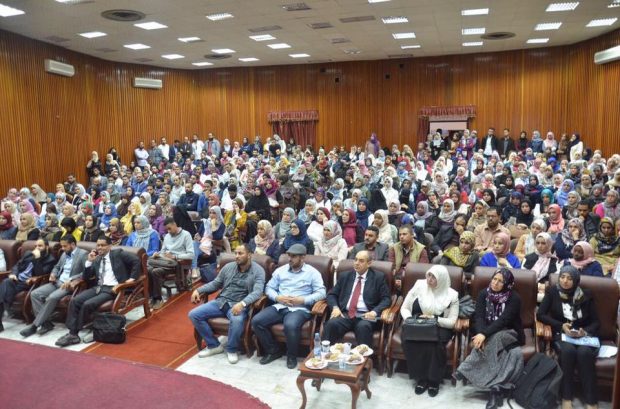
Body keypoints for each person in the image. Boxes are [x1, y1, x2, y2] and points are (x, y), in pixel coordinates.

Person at [456, 268, 524, 409]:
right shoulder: (483, 294)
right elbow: (479, 317)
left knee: (497, 336)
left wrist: (484, 335)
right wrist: (482, 334)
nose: (495, 283)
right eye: (494, 279)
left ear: (507, 284)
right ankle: (496, 389)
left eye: (500, 281)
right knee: (513, 353)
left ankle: (465, 368)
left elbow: (504, 320)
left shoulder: (514, 298)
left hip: (510, 331)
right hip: (488, 332)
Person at [55, 236, 141, 347]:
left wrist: (131, 279)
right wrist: (89, 262)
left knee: (87, 304)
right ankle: (73, 333)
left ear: (110, 246)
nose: (100, 247)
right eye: (98, 245)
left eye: (103, 245)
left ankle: (73, 333)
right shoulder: (97, 258)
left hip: (112, 288)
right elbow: (86, 278)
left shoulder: (117, 253)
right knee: (75, 300)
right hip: (97, 287)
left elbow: (136, 260)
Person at [251, 243, 326, 369]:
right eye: (289, 256)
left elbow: (322, 292)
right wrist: (277, 297)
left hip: (300, 308)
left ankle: (292, 356)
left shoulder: (312, 273)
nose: (290, 259)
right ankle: (273, 350)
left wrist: (303, 300)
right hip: (280, 305)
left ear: (303, 257)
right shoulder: (280, 271)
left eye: (294, 256)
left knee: (290, 325)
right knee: (257, 321)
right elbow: (269, 288)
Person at [188, 244, 265, 364]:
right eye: (236, 253)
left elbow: (258, 292)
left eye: (240, 253)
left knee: (237, 320)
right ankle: (214, 345)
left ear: (249, 255)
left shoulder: (258, 271)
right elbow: (216, 283)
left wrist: (243, 303)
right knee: (194, 314)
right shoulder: (229, 267)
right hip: (221, 301)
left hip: (238, 304)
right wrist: (198, 290)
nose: (237, 256)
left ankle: (232, 349)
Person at [537, 265, 600, 409]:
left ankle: (591, 400)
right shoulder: (553, 292)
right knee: (568, 351)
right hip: (563, 334)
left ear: (576, 280)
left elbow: (596, 322)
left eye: (569, 278)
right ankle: (566, 397)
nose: (565, 281)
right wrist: (561, 326)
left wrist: (585, 331)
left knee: (584, 353)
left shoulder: (586, 295)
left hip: (583, 336)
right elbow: (540, 314)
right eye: (562, 277)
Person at [400, 265, 458, 397]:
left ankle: (434, 381)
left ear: (441, 279)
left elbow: (452, 322)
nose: (429, 279)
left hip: (439, 326)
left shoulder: (452, 295)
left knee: (434, 344)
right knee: (410, 340)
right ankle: (421, 378)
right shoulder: (419, 285)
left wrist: (434, 319)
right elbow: (405, 308)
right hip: (416, 323)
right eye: (429, 275)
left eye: (434, 277)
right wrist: (411, 321)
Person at [21, 236, 88, 337]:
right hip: (57, 281)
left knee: (51, 297)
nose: (63, 248)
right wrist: (53, 274)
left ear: (73, 244)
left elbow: (86, 273)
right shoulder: (64, 254)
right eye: (62, 246)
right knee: (35, 294)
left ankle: (34, 326)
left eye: (65, 246)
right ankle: (46, 323)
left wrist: (71, 279)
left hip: (68, 285)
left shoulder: (83, 254)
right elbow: (57, 267)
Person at [323, 250, 391, 346]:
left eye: (361, 261)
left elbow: (386, 299)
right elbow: (332, 294)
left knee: (363, 327)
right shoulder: (345, 276)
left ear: (369, 263)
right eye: (355, 260)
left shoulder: (378, 277)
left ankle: (364, 355)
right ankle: (325, 353)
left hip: (365, 316)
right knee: (331, 324)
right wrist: (335, 308)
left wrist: (374, 312)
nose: (357, 263)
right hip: (345, 314)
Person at [0, 239, 56, 331]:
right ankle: (6, 308)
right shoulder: (28, 254)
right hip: (17, 280)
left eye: (40, 246)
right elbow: (17, 265)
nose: (37, 248)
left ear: (46, 247)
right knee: (6, 282)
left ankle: (6, 310)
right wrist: (13, 274)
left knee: (4, 290)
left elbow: (41, 274)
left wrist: (37, 259)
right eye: (36, 246)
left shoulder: (50, 260)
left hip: (29, 283)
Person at [147, 217, 195, 310]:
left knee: (156, 271)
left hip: (176, 263)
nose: (168, 231)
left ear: (174, 224)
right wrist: (158, 254)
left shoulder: (186, 235)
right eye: (166, 230)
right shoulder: (167, 236)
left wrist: (175, 256)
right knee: (149, 269)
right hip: (165, 261)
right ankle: (152, 297)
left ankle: (158, 299)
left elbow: (191, 255)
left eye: (169, 228)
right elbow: (163, 251)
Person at [389, 224, 429, 293]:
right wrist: (395, 279)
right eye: (400, 235)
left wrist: (404, 281)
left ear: (412, 235)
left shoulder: (421, 250)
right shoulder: (394, 248)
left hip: (412, 280)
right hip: (396, 278)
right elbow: (391, 267)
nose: (401, 237)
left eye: (404, 234)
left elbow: (421, 272)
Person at [522, 232, 558, 300]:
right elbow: (523, 277)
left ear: (549, 244)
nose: (540, 246)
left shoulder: (554, 261)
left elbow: (554, 281)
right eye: (538, 243)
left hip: (546, 292)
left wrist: (544, 286)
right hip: (528, 288)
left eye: (543, 243)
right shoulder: (528, 258)